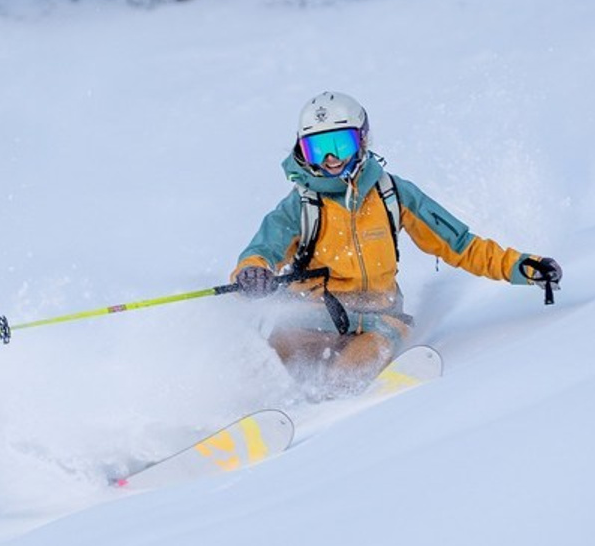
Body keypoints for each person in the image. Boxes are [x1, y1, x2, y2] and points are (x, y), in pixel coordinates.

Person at [232, 91, 561, 395]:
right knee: (277, 369)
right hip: (310, 318)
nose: (331, 158)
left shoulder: (393, 194)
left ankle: (335, 425)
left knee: (343, 378)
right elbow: (262, 251)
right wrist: (252, 273)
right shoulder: (301, 206)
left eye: (341, 145)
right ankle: (256, 418)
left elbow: (460, 244)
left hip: (377, 320)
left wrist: (519, 267)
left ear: (362, 140)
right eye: (317, 148)